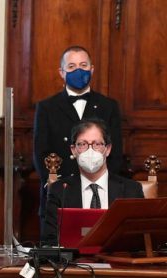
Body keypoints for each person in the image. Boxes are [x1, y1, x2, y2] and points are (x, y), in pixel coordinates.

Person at [33, 45, 123, 229]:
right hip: (62, 195)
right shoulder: (47, 107)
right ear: (62, 72)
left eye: (83, 65)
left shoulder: (108, 106)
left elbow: (116, 153)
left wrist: (99, 186)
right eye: (72, 67)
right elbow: (40, 152)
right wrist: (57, 189)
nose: (79, 70)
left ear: (92, 69)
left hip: (100, 195)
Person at [42, 118, 143, 245]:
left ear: (108, 149)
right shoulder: (59, 190)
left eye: (97, 144)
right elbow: (49, 239)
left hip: (117, 260)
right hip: (74, 262)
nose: (90, 151)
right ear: (73, 150)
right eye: (83, 144)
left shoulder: (131, 190)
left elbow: (139, 238)